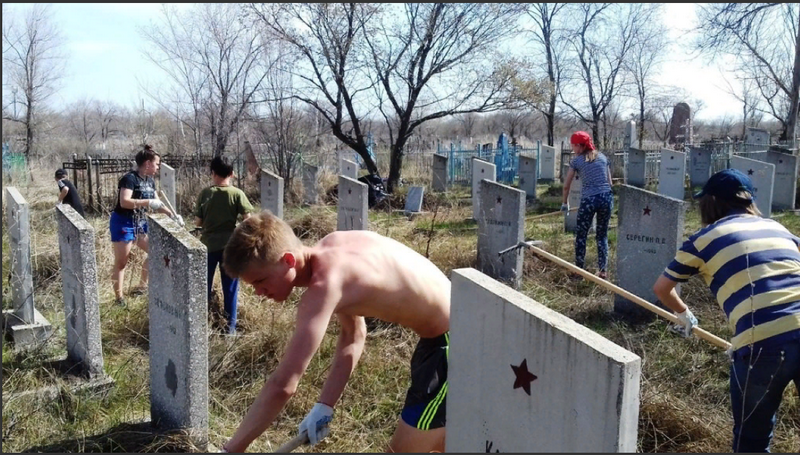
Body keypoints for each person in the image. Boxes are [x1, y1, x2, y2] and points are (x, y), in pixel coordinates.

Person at [218, 210, 451, 453]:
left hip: (455, 342)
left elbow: (283, 385)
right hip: (447, 334)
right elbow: (354, 335)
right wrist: (325, 406)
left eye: (260, 281)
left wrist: (231, 449)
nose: (259, 293)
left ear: (287, 260)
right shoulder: (333, 247)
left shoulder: (325, 285)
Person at [653, 169, 800, 453]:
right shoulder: (778, 228)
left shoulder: (702, 240)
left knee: (752, 442)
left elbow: (662, 288)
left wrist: (684, 314)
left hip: (763, 346)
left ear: (710, 202)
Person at [110, 145, 182, 307]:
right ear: (148, 163)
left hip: (141, 223)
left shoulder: (150, 181)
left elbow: (158, 204)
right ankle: (119, 298)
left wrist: (172, 215)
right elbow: (125, 202)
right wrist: (148, 202)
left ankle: (141, 287)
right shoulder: (129, 179)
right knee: (122, 262)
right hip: (124, 222)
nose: (158, 167)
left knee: (157, 252)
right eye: (157, 164)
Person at [194, 155, 255, 335]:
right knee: (230, 289)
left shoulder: (206, 193)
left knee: (203, 286)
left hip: (207, 246)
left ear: (213, 173)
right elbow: (248, 221)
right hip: (229, 248)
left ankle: (201, 324)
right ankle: (230, 329)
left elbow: (197, 222)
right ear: (232, 173)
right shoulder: (237, 194)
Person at [561, 131, 614, 279]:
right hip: (606, 198)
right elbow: (610, 183)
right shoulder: (603, 157)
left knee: (581, 235)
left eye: (573, 146)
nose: (573, 149)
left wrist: (565, 203)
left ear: (579, 146)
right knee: (602, 235)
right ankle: (603, 271)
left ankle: (579, 271)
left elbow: (567, 185)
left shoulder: (577, 161)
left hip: (589, 200)